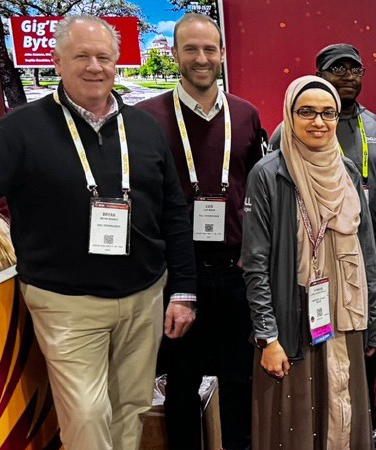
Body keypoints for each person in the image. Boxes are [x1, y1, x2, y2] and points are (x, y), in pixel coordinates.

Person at [0, 15, 197, 450]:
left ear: (117, 63)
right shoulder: (18, 130)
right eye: (81, 56)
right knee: (86, 415)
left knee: (132, 407)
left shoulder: (144, 128)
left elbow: (174, 214)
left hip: (145, 297)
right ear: (57, 61)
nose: (94, 66)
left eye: (103, 57)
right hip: (67, 304)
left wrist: (183, 289)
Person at [134, 13, 262, 450]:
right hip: (177, 277)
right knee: (182, 384)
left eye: (210, 49)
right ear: (174, 54)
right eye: (190, 49)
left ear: (223, 54)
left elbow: (255, 189)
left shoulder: (245, 115)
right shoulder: (144, 118)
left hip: (235, 270)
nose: (201, 58)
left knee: (240, 378)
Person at [241, 75, 376, 449]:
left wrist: (373, 319)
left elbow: (366, 249)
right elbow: (255, 264)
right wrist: (268, 337)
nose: (319, 122)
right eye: (307, 112)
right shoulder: (269, 174)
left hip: (344, 315)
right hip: (293, 319)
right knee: (296, 423)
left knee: (344, 407)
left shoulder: (349, 171)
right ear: (289, 115)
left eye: (328, 113)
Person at [270, 44, 376, 243]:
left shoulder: (375, 126)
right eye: (338, 69)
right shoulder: (294, 130)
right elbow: (273, 193)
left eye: (355, 70)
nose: (349, 76)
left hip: (372, 240)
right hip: (320, 243)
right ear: (319, 76)